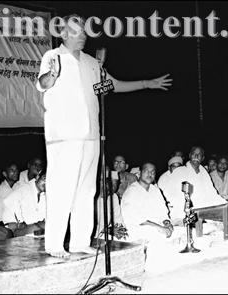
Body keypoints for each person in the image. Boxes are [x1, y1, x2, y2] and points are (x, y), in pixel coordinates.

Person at [36, 14, 172, 258]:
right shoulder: (53, 57)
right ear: (64, 34)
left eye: (85, 31)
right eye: (77, 31)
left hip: (91, 136)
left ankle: (79, 242)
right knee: (62, 189)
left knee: (87, 191)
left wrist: (147, 83)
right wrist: (52, 76)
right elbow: (43, 83)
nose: (84, 36)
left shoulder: (91, 63)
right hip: (65, 137)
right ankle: (55, 245)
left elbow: (110, 87)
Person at [162, 146, 227, 222]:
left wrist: (226, 204)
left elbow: (212, 194)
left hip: (204, 212)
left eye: (199, 155)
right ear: (190, 155)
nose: (196, 156)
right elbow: (169, 196)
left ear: (202, 158)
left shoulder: (204, 173)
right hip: (184, 215)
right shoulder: (179, 171)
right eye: (194, 154)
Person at [121, 163, 173, 242]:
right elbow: (138, 220)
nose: (150, 174)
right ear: (139, 173)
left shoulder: (155, 190)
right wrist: (160, 228)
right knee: (158, 235)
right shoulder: (132, 191)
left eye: (153, 172)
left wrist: (167, 223)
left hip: (158, 227)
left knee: (181, 231)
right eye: (146, 171)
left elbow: (163, 213)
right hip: (139, 230)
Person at [2, 172, 47, 237]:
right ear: (37, 177)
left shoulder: (45, 194)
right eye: (44, 179)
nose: (46, 183)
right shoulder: (23, 190)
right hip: (15, 231)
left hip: (35, 230)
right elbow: (13, 225)